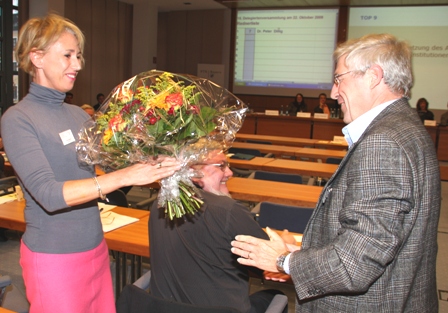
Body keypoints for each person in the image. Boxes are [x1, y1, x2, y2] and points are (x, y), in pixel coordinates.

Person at [231, 33, 440, 312]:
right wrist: (304, 255)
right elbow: (379, 240)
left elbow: (357, 262)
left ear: (373, 77)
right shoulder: (406, 128)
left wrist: (283, 261)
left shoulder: (383, 142)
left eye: (339, 78)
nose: (333, 92)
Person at [1, 14, 180, 313]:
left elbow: (112, 168)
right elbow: (48, 194)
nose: (78, 65)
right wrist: (124, 176)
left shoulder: (79, 116)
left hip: (95, 250)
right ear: (37, 57)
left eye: (79, 55)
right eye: (68, 55)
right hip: (54, 256)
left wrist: (160, 160)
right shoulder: (18, 119)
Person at [148, 140, 287, 313]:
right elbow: (268, 261)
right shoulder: (227, 211)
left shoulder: (160, 203)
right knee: (276, 295)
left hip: (164, 308)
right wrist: (284, 242)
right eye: (221, 166)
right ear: (193, 171)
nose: (230, 172)